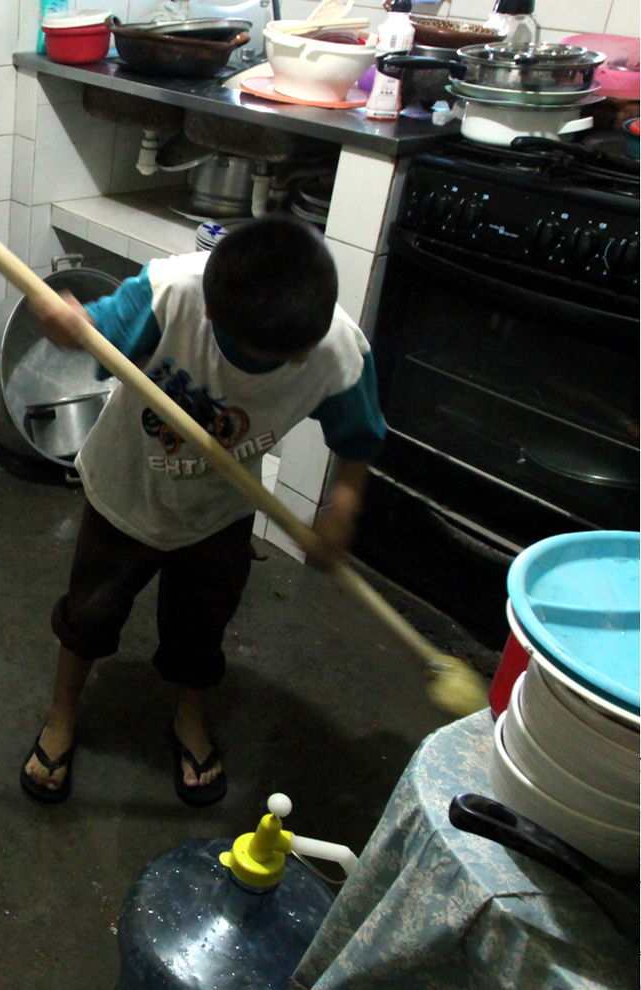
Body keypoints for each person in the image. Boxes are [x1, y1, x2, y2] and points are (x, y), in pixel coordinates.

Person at [19, 215, 385, 807]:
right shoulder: (173, 296)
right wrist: (68, 326)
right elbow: (94, 329)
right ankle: (61, 715)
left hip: (220, 509)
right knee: (89, 613)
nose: (294, 365)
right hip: (127, 487)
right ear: (214, 319)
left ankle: (189, 718)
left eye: (300, 354)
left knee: (202, 624)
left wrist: (340, 508)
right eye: (271, 358)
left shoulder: (332, 349)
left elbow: (358, 442)